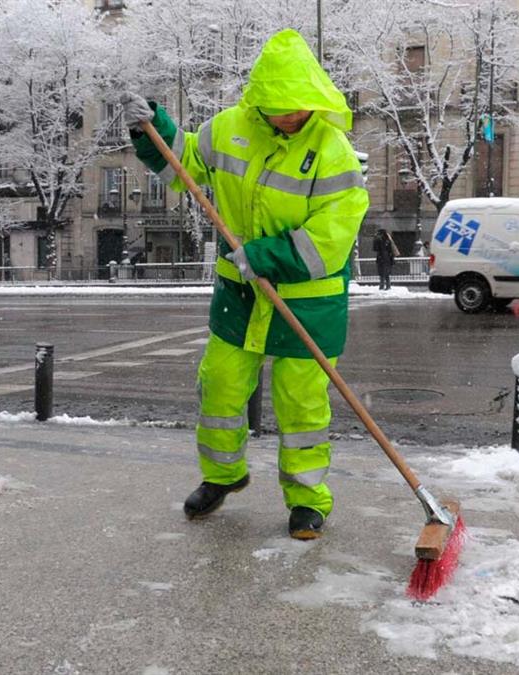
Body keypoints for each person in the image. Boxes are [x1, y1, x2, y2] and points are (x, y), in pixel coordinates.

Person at [120, 29, 369, 540]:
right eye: (278, 106)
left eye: (298, 105)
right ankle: (223, 476)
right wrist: (155, 131)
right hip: (240, 295)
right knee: (220, 387)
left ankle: (307, 500)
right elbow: (185, 162)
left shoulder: (332, 152)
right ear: (259, 98)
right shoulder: (229, 128)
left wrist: (265, 255)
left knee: (302, 407)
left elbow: (333, 236)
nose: (290, 115)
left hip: (308, 301)